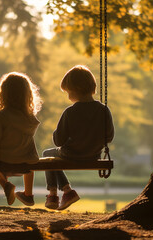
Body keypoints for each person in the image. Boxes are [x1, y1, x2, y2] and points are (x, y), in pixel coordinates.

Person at [43, 65, 114, 210]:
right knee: (52, 157)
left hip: (71, 155)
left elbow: (58, 141)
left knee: (48, 154)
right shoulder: (104, 110)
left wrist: (56, 132)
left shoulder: (70, 112)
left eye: (68, 92)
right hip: (93, 156)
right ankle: (67, 191)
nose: (68, 96)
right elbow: (109, 137)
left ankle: (53, 194)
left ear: (75, 90)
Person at [0, 72, 42, 206]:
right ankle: (28, 193)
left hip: (4, 162)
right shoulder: (30, 119)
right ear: (28, 96)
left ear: (3, 94)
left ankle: (6, 185)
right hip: (27, 163)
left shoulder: (0, 118)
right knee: (29, 148)